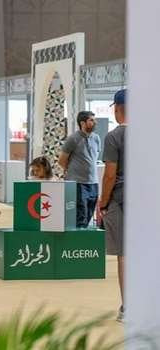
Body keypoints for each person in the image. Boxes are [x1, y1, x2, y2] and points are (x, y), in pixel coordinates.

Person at [100, 89, 126, 322]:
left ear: (117, 109)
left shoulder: (114, 136)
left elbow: (110, 175)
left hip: (121, 198)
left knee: (125, 254)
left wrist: (103, 202)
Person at [58, 111, 101, 227]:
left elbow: (94, 158)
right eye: (91, 120)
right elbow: (62, 161)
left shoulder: (96, 138)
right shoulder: (73, 139)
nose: (95, 122)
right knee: (81, 217)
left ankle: (83, 240)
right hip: (78, 184)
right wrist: (72, 172)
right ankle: (78, 243)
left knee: (89, 216)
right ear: (83, 123)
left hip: (93, 183)